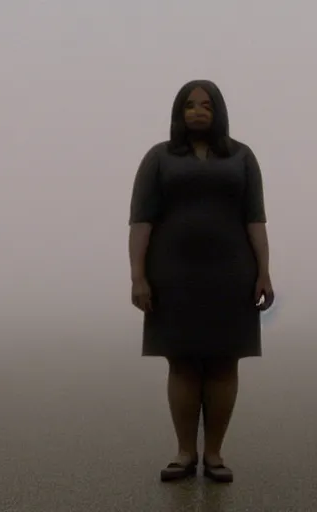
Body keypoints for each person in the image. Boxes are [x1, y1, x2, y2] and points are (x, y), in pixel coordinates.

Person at [128, 79, 274, 483]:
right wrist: (138, 276)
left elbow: (255, 219)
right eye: (189, 105)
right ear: (179, 113)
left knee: (225, 362)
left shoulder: (242, 157)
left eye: (206, 105)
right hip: (173, 273)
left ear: (218, 111)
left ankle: (214, 454)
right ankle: (184, 453)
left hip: (231, 274)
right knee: (182, 363)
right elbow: (141, 220)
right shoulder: (159, 158)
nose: (197, 111)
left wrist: (264, 271)